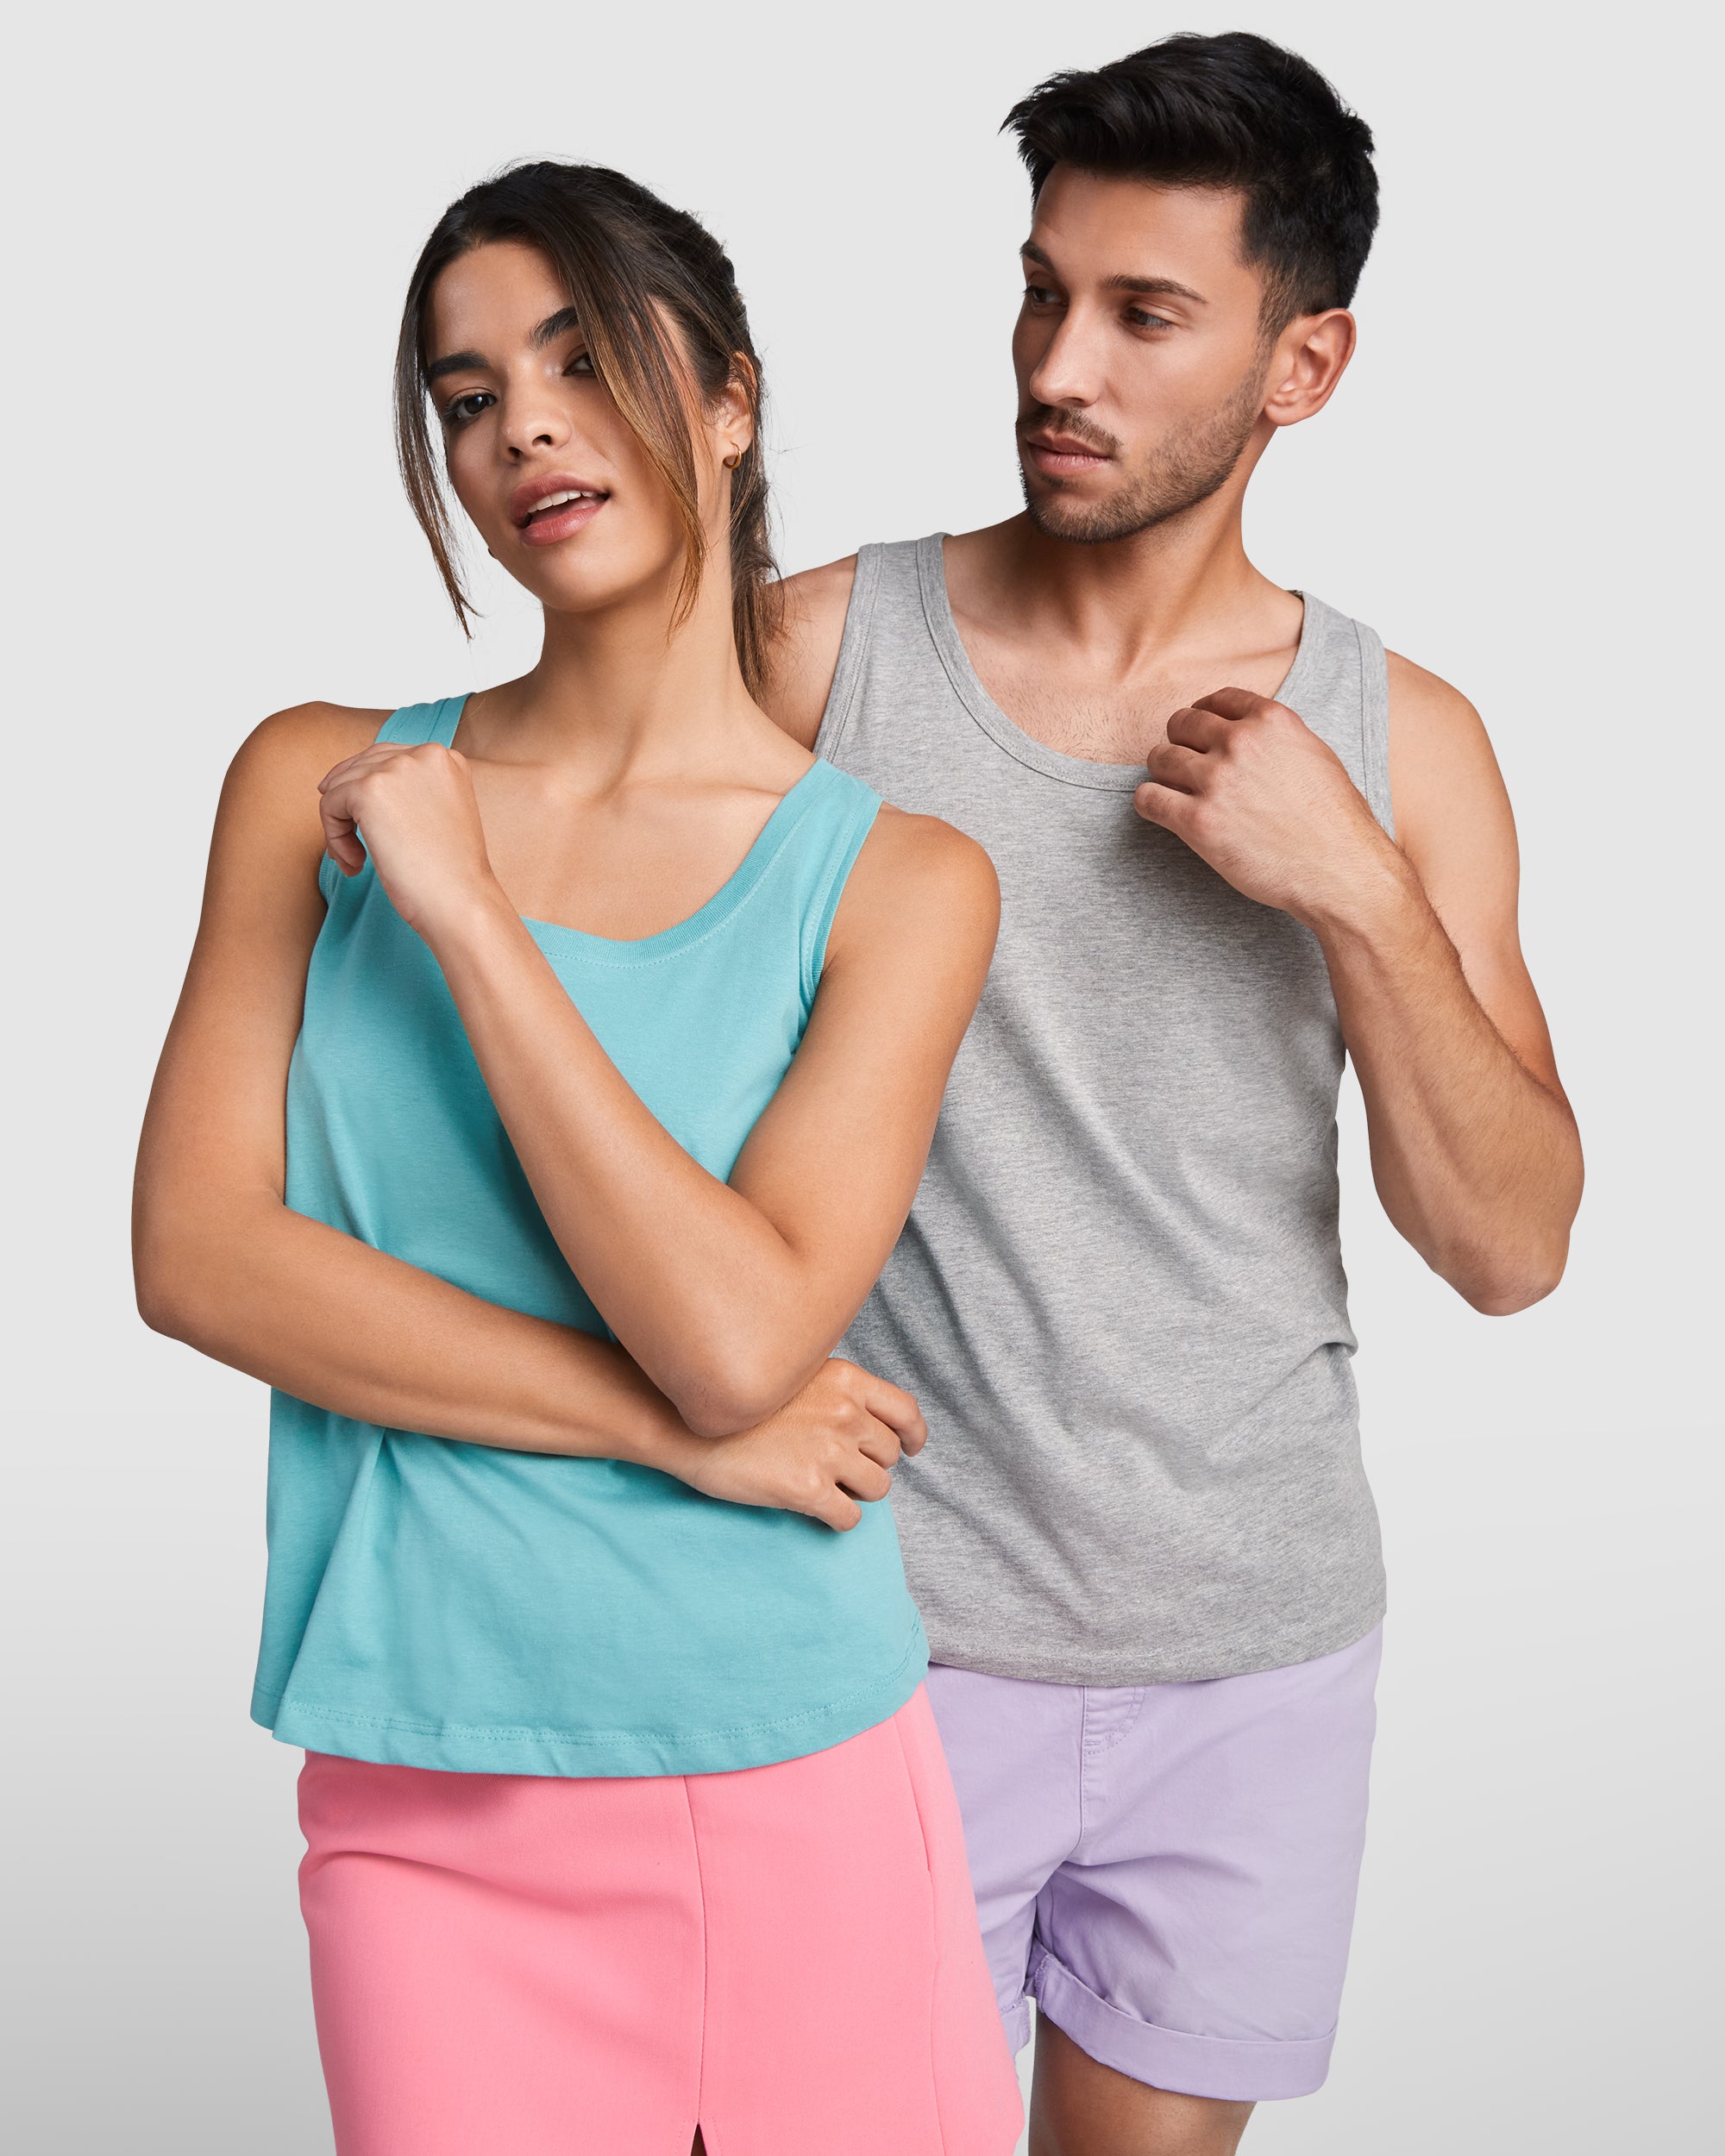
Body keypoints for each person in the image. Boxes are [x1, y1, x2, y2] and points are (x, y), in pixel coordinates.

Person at [133, 162, 1021, 2156]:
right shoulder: (305, 783)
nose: (522, 426)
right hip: (423, 1771)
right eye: (468, 397)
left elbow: (739, 1334)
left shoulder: (899, 881)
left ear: (729, 397)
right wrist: (669, 1435)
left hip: (789, 1761)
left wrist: (467, 913)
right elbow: (200, 1256)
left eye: (580, 359)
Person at [765, 32, 1584, 2156]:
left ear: (1303, 364)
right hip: (878, 1630)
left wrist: (1357, 888)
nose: (1060, 366)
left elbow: (1508, 1245)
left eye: (1143, 315)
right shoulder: (817, 659)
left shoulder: (1406, 739)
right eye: (1042, 294)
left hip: (1252, 1646)